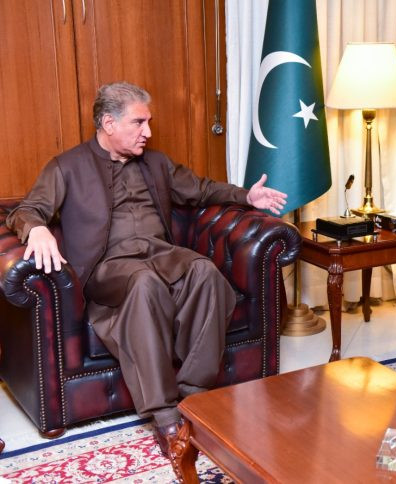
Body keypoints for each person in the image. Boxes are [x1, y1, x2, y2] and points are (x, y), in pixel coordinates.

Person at [5, 82, 287, 455]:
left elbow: (200, 190)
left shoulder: (156, 163)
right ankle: (165, 415)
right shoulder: (67, 167)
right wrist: (36, 227)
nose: (148, 133)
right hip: (109, 268)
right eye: (139, 123)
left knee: (206, 274)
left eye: (148, 123)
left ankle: (194, 392)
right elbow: (25, 210)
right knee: (144, 283)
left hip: (161, 253)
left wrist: (245, 195)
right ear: (108, 122)